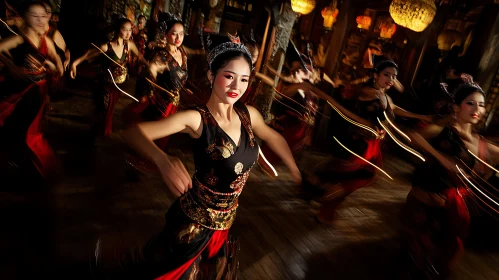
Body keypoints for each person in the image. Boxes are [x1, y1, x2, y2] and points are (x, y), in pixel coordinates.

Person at [97, 37, 301, 278]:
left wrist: (296, 172)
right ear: (211, 75)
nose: (237, 85)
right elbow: (133, 134)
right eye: (229, 76)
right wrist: (162, 160)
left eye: (244, 79)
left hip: (225, 226)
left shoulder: (249, 115)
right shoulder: (197, 119)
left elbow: (274, 138)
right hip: (193, 226)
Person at [301, 58, 432, 225]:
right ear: (375, 75)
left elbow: (394, 109)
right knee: (355, 175)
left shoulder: (384, 94)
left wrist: (420, 116)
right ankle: (323, 196)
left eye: (394, 76)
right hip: (361, 144)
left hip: (374, 145)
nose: (391, 79)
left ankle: (322, 198)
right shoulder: (370, 92)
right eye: (387, 75)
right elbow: (354, 108)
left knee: (354, 175)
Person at [401, 75, 499, 279]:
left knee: (451, 251)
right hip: (426, 201)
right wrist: (442, 159)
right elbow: (414, 137)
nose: (477, 110)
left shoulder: (480, 142)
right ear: (456, 107)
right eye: (470, 104)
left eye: (481, 105)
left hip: (454, 206)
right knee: (420, 254)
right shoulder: (443, 130)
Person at [0, 0, 63, 184]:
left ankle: (30, 166)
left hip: (38, 92)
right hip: (19, 91)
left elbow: (57, 62)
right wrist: (12, 66)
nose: (40, 20)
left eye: (43, 16)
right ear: (26, 18)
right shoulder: (19, 38)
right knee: (18, 128)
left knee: (31, 131)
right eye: (35, 16)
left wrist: (55, 66)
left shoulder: (48, 41)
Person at [70, 17, 148, 138]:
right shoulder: (107, 46)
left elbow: (139, 56)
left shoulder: (130, 45)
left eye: (130, 30)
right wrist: (75, 63)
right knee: (105, 108)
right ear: (118, 30)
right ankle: (99, 133)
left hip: (119, 85)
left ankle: (101, 132)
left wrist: (149, 66)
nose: (128, 33)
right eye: (124, 29)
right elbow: (88, 54)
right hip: (106, 84)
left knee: (110, 109)